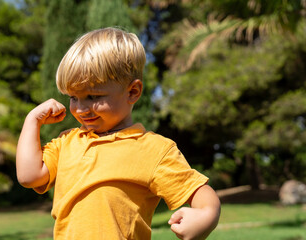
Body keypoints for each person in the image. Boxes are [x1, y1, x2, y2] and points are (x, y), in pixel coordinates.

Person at [16, 27, 220, 240]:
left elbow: (201, 193)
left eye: (93, 96)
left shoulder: (153, 150)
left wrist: (206, 214)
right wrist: (32, 121)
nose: (80, 109)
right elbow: (29, 176)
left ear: (132, 92)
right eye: (73, 98)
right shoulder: (67, 141)